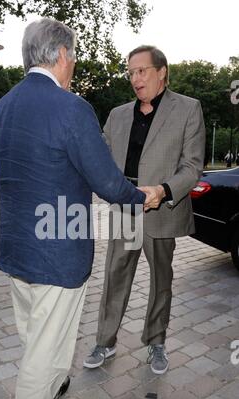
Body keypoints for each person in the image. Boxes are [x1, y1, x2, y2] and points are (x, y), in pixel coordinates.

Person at [0, 19, 156, 399]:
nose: (74, 66)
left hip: (16, 247)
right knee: (45, 344)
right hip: (58, 251)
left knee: (35, 333)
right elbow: (106, 181)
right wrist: (143, 197)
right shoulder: (71, 108)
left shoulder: (3, 106)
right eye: (74, 57)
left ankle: (48, 389)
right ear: (62, 55)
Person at [83, 45, 206, 375]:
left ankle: (156, 342)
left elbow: (193, 165)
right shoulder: (118, 115)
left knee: (160, 280)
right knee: (114, 276)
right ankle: (104, 341)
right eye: (131, 72)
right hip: (125, 207)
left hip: (163, 208)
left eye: (142, 71)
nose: (135, 78)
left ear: (161, 71)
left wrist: (163, 191)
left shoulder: (189, 109)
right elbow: (99, 156)